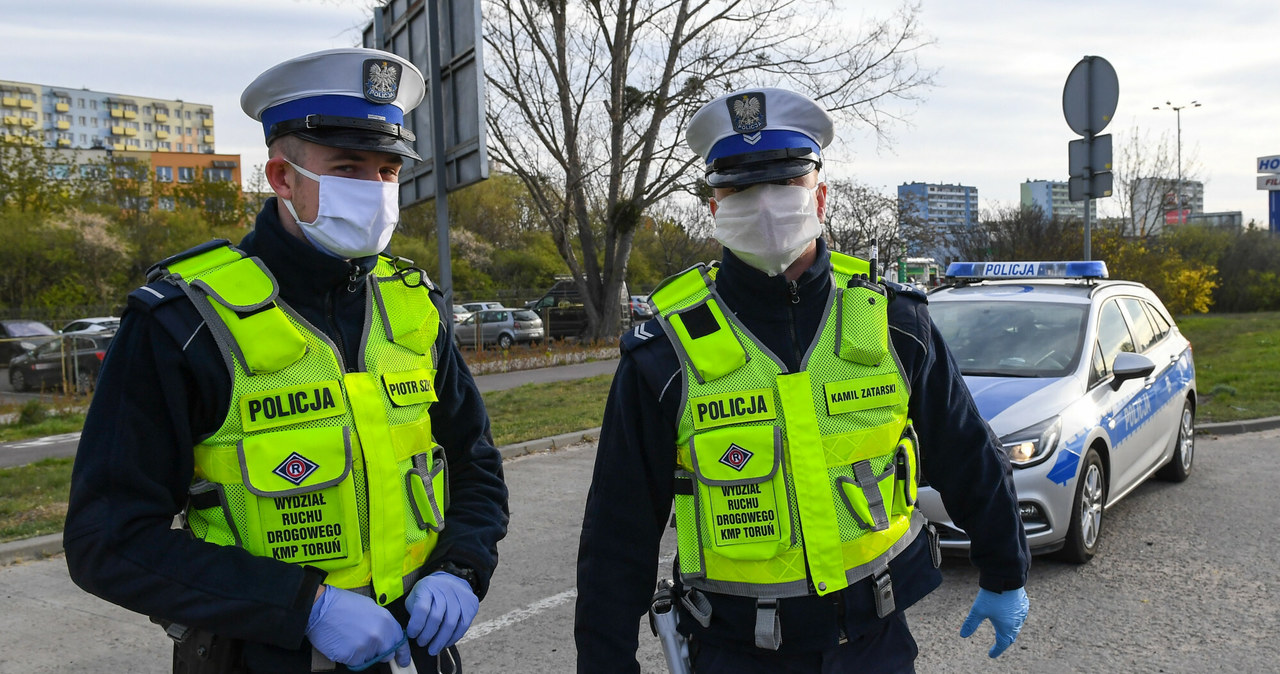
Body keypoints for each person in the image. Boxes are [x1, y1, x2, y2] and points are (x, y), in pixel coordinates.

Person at [64, 48, 509, 673]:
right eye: (348, 167)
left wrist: (463, 567)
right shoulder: (185, 320)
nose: (374, 191)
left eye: (387, 172)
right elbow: (107, 540)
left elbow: (474, 464)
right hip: (259, 658)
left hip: (416, 655)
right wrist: (304, 608)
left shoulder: (413, 306)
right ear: (282, 178)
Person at [574, 88, 1029, 673]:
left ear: (820, 194)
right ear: (714, 209)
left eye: (784, 184)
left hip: (874, 647)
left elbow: (967, 450)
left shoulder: (895, 323)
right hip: (737, 654)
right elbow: (617, 532)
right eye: (739, 188)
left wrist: (1005, 567)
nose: (764, 206)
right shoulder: (664, 355)